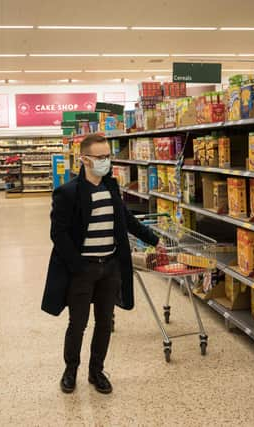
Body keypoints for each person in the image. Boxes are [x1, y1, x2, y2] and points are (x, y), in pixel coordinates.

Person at [41, 133, 160, 395]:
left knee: (105, 322)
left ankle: (97, 372)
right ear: (84, 159)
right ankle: (70, 370)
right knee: (78, 323)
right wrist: (78, 266)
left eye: (108, 156)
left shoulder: (111, 187)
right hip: (82, 270)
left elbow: (127, 220)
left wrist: (155, 240)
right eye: (100, 157)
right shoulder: (67, 192)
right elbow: (58, 235)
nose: (106, 161)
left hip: (110, 268)